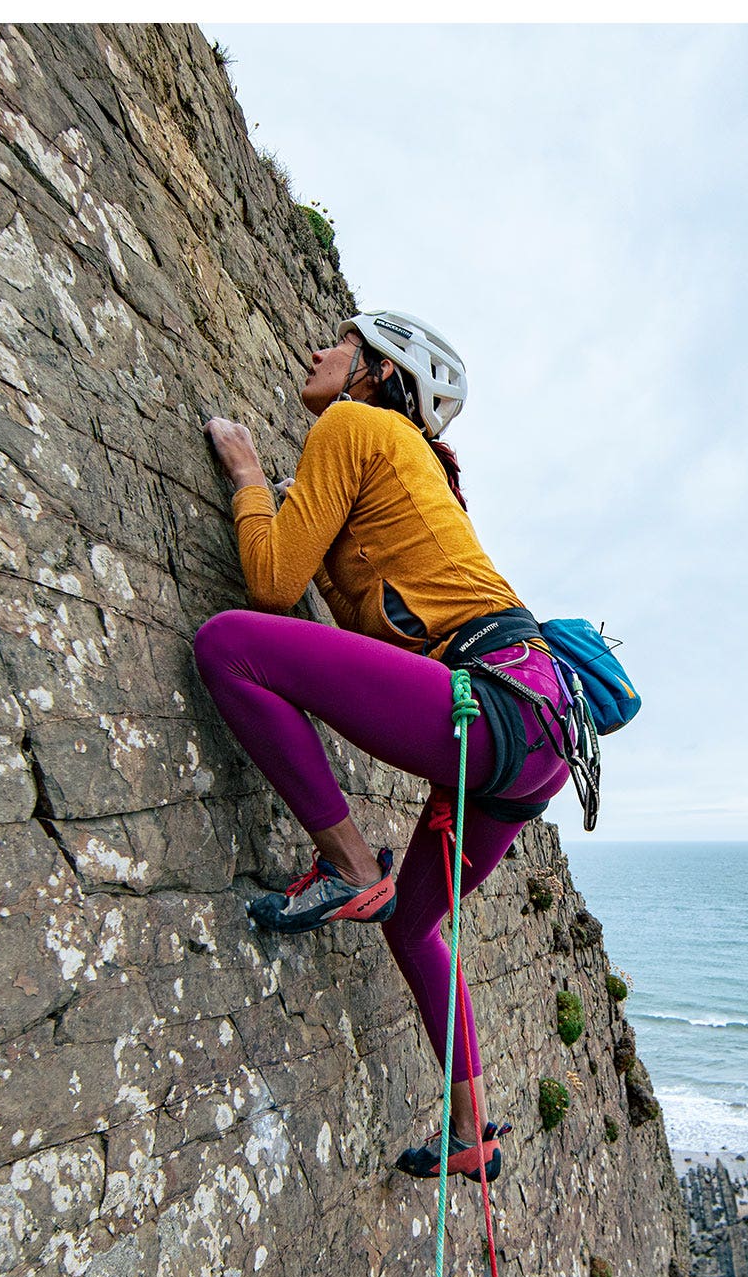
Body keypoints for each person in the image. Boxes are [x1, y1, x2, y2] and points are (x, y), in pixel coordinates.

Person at [194, 309, 572, 1184]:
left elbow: (273, 584)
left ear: (373, 372)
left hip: (492, 710)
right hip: (536, 735)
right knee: (414, 922)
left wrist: (250, 477)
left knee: (229, 646)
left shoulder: (354, 423)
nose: (316, 348)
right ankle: (473, 1130)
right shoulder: (417, 470)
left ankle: (351, 865)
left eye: (339, 342)